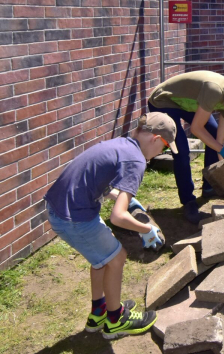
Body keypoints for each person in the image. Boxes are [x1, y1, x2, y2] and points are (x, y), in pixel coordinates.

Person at [44, 113, 176, 339]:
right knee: (117, 257)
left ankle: (99, 312)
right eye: (164, 148)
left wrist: (120, 196)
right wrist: (147, 229)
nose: (162, 153)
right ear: (155, 139)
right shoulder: (136, 160)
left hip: (61, 208)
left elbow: (97, 179)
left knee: (102, 260)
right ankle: (115, 320)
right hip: (75, 217)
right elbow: (118, 217)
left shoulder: (120, 144)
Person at [148, 71, 224, 223]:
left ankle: (209, 186)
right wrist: (222, 149)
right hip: (164, 100)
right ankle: (188, 201)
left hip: (188, 104)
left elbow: (221, 137)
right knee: (181, 149)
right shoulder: (216, 90)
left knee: (213, 134)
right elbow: (196, 129)